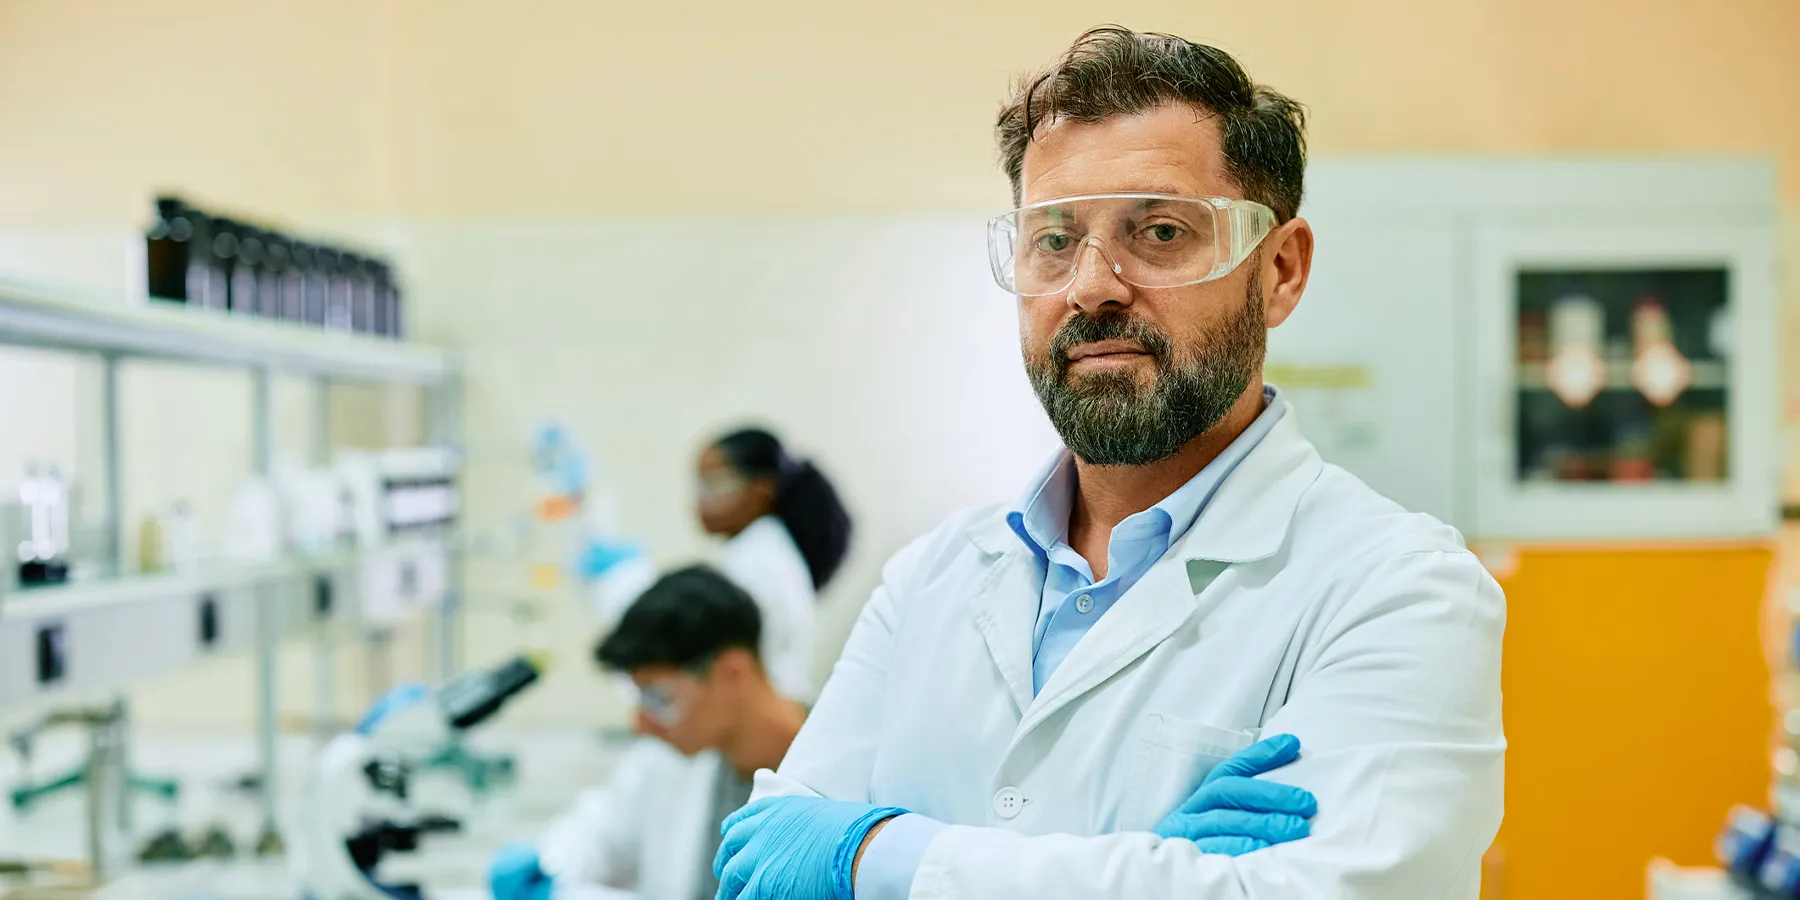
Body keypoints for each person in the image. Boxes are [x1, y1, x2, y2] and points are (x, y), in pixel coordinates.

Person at [711, 27, 1505, 900]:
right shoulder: (929, 582)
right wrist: (1157, 866)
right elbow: (765, 868)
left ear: (1279, 269)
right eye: (1053, 239)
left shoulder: (1401, 589)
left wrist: (869, 857)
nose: (1090, 284)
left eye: (1159, 231)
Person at [489, 565, 810, 900]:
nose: (640, 724)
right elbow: (600, 830)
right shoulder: (677, 756)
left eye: (659, 698)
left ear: (732, 673)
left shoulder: (839, 778)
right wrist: (547, 867)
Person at [587, 426, 853, 702]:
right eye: (698, 484)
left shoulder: (758, 562)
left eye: (713, 485)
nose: (699, 501)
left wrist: (620, 583)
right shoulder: (759, 549)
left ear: (761, 490)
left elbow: (692, 651)